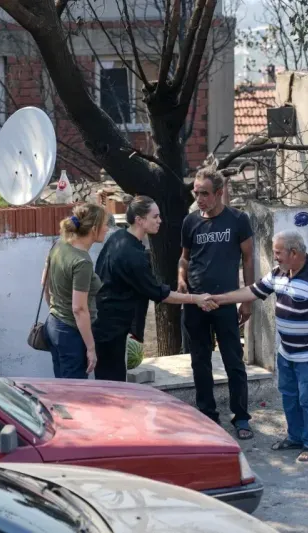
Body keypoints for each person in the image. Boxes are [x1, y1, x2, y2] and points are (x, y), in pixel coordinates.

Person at [207, 229, 308, 462]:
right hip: (287, 351)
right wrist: (220, 299)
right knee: (289, 395)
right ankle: (295, 437)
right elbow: (253, 291)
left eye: (278, 252)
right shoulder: (279, 272)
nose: (275, 256)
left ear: (294, 252)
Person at [93, 196, 216, 381]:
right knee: (113, 386)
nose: (160, 221)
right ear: (139, 220)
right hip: (113, 328)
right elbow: (159, 293)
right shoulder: (132, 254)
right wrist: (196, 299)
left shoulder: (119, 237)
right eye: (155, 217)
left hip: (106, 321)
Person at [178, 166, 256, 440]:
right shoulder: (190, 222)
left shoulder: (238, 220)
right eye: (196, 193)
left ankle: (242, 417)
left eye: (205, 194)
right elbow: (185, 258)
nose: (199, 199)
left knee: (234, 361)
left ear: (220, 193)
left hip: (225, 303)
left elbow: (248, 259)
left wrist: (248, 300)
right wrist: (181, 278)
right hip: (196, 304)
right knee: (200, 361)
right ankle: (207, 415)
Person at [42, 203, 108, 379]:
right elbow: (79, 309)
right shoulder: (82, 262)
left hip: (53, 325)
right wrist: (91, 348)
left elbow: (44, 283)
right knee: (74, 396)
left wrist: (55, 310)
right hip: (71, 334)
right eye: (106, 224)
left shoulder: (60, 244)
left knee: (62, 389)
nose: (107, 228)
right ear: (94, 229)